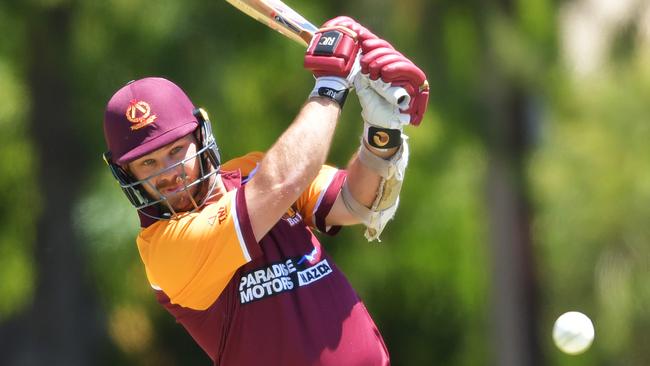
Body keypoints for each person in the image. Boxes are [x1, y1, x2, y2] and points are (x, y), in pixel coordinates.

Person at [102, 16, 428, 366]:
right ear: (127, 174)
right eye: (147, 164)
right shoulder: (165, 249)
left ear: (200, 138)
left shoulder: (251, 173)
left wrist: (383, 131)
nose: (168, 172)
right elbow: (283, 181)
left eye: (175, 151)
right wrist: (332, 84)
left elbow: (357, 202)